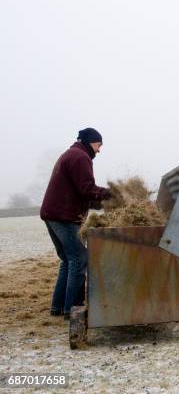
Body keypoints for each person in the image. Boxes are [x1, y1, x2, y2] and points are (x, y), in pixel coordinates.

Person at [40, 128, 112, 319]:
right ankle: (74, 310)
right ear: (90, 142)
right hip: (64, 217)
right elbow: (87, 189)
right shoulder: (80, 157)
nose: (99, 150)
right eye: (99, 145)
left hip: (53, 214)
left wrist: (100, 202)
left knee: (68, 260)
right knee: (79, 259)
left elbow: (80, 191)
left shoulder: (72, 154)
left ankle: (59, 308)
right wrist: (110, 194)